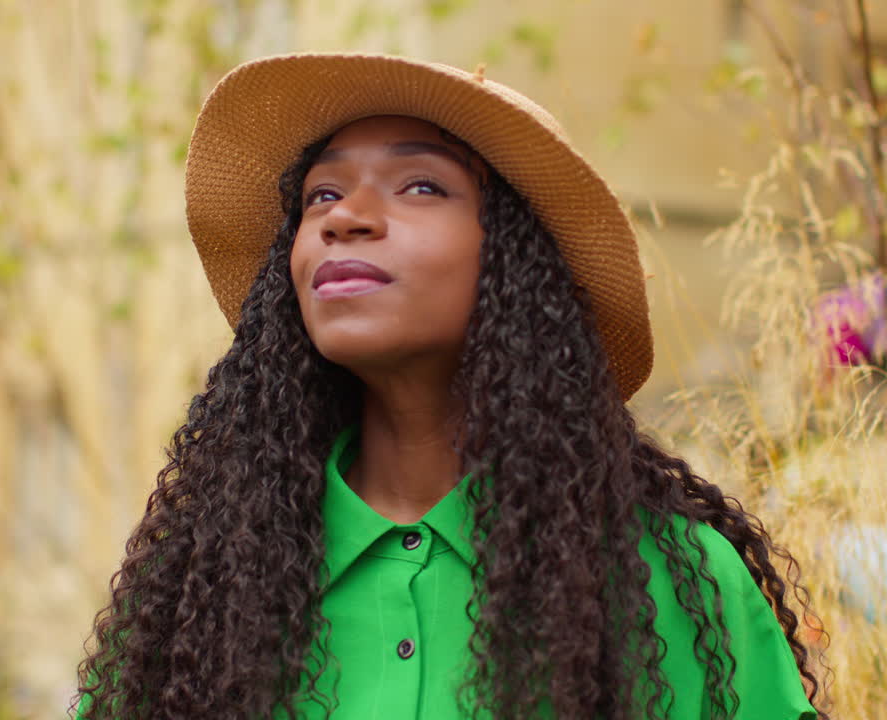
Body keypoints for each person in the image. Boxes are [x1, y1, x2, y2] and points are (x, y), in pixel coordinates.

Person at [75, 53, 825, 720]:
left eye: (421, 185)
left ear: (515, 262)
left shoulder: (673, 583)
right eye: (321, 195)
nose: (347, 218)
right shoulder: (201, 585)